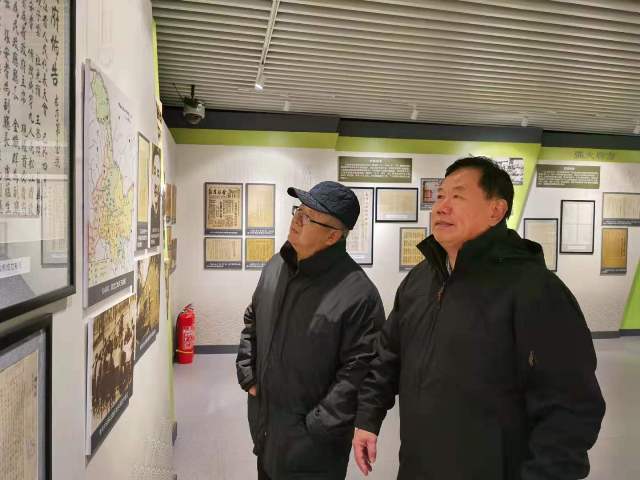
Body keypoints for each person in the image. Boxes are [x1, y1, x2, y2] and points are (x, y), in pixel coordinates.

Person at [352, 156, 606, 480]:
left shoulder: (535, 291)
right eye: (440, 196)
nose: (441, 207)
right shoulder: (420, 280)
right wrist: (368, 418)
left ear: (495, 211)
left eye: (457, 196)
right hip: (418, 467)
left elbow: (570, 409)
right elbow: (388, 356)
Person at [237, 181, 385, 480]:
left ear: (333, 235)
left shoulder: (359, 295)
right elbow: (253, 319)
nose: (297, 220)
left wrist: (316, 426)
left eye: (309, 217)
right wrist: (249, 376)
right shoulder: (275, 267)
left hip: (314, 452)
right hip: (266, 431)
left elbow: (359, 372)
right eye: (299, 211)